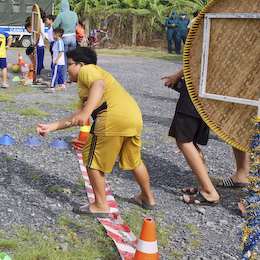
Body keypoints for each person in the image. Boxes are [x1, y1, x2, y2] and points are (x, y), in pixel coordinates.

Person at [36, 47, 156, 215]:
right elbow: (76, 117)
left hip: (111, 118)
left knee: (91, 158)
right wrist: (51, 127)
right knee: (134, 161)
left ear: (81, 64)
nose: (66, 69)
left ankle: (101, 205)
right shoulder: (86, 90)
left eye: (69, 65)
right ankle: (147, 198)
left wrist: (86, 113)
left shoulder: (88, 70)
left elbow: (98, 86)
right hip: (133, 118)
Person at [162, 69, 249, 206]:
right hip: (215, 88)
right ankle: (205, 185)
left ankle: (209, 191)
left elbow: (197, 60)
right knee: (192, 140)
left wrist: (177, 76)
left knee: (184, 140)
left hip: (198, 87)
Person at [52, 0, 78, 82]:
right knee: (72, 59)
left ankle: (63, 80)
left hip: (64, 37)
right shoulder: (74, 14)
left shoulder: (61, 15)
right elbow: (76, 25)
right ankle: (73, 77)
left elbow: (54, 26)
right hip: (73, 37)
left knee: (63, 59)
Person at [46, 28, 66, 92]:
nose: (52, 35)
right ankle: (62, 85)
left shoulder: (60, 42)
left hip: (58, 62)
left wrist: (56, 60)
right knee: (59, 74)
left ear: (57, 35)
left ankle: (52, 87)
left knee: (54, 73)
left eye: (53, 34)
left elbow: (61, 51)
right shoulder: (56, 42)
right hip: (57, 61)